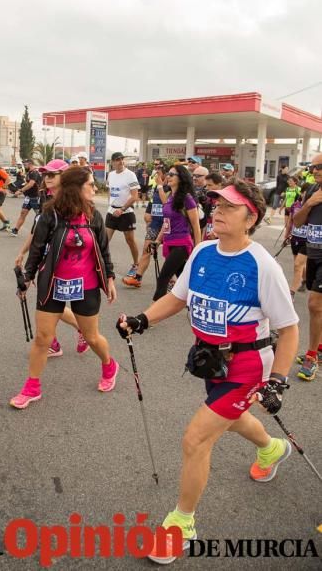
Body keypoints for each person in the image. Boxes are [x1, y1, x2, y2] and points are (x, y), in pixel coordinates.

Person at [117, 180, 299, 565]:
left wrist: (278, 381)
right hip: (208, 360)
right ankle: (272, 449)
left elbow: (290, 328)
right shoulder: (201, 252)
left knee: (196, 438)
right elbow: (177, 298)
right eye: (215, 204)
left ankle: (182, 524)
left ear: (251, 218)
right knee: (230, 419)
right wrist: (142, 318)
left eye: (229, 207)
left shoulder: (262, 265)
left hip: (247, 365)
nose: (216, 211)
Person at [10, 166, 118, 409]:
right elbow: (37, 248)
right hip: (53, 283)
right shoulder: (51, 214)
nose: (95, 188)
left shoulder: (94, 216)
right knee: (42, 338)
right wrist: (27, 278)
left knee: (91, 337)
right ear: (75, 188)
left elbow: (103, 250)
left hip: (87, 285)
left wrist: (110, 278)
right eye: (90, 184)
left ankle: (109, 365)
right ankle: (32, 387)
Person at [14, 159, 89, 357]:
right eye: (45, 175)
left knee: (52, 303)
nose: (46, 179)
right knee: (50, 303)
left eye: (52, 175)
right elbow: (37, 231)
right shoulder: (44, 198)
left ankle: (80, 332)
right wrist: (23, 252)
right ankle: (54, 341)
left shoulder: (75, 203)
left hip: (65, 265)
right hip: (47, 263)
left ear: (64, 177)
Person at [152, 165, 201, 300]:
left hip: (181, 245)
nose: (168, 176)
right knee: (184, 281)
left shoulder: (187, 199)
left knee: (163, 278)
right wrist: (157, 240)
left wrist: (197, 248)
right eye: (168, 173)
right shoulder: (170, 197)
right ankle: (197, 301)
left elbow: (196, 226)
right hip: (169, 243)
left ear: (181, 178)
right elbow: (166, 222)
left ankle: (150, 315)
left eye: (172, 174)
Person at [293, 153, 322, 380]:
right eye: (312, 168)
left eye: (319, 167)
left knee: (314, 305)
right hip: (313, 253)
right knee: (319, 307)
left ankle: (312, 356)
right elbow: (298, 221)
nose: (315, 171)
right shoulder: (312, 191)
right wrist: (310, 203)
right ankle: (318, 348)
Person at [122, 165, 169, 288]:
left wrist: (160, 187)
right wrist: (147, 216)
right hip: (154, 225)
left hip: (168, 226)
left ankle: (173, 280)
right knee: (146, 251)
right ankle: (137, 278)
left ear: (165, 175)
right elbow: (153, 203)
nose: (156, 176)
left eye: (158, 173)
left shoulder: (170, 188)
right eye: (155, 173)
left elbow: (166, 203)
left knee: (169, 255)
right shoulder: (155, 188)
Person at [105, 152, 140, 279]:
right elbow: (110, 191)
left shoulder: (130, 175)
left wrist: (122, 208)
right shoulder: (111, 175)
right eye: (117, 160)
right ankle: (103, 265)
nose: (120, 161)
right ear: (112, 162)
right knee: (104, 240)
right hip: (112, 212)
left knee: (129, 240)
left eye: (121, 159)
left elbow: (135, 196)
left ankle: (136, 265)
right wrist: (110, 206)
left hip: (126, 213)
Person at [284, 183, 309, 300]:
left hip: (307, 241)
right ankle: (304, 279)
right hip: (295, 238)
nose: (307, 195)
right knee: (298, 265)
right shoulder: (295, 205)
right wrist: (286, 235)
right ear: (302, 192)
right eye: (306, 192)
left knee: (298, 264)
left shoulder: (314, 207)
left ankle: (291, 293)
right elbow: (290, 222)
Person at [8, 159, 42, 237]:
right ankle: (15, 230)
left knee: (39, 215)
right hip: (28, 197)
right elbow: (27, 183)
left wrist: (21, 191)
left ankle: (43, 233)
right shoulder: (29, 173)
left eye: (25, 164)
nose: (24, 165)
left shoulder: (34, 172)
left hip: (35, 197)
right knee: (23, 213)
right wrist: (17, 190)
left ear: (30, 164)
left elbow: (31, 184)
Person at [203, 173, 223, 240]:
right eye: (206, 185)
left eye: (210, 185)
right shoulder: (209, 199)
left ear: (219, 185)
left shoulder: (225, 201)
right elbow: (206, 220)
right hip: (208, 236)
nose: (207, 188)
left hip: (221, 237)